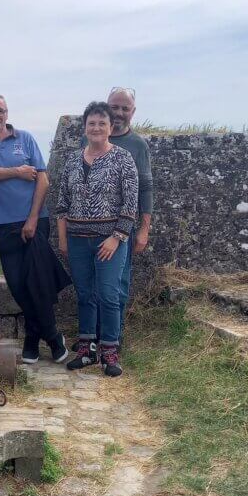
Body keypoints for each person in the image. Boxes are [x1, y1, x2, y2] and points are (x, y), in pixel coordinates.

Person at [0, 94, 69, 364]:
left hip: (34, 219)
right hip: (4, 224)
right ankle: (52, 335)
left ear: (7, 113)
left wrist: (33, 218)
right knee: (17, 285)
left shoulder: (25, 139)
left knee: (38, 281)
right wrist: (16, 171)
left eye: (0, 111)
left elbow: (43, 181)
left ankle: (33, 342)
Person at [56, 101, 138, 378]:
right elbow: (62, 204)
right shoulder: (72, 161)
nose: (96, 128)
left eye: (102, 123)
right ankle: (87, 349)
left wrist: (116, 238)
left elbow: (130, 205)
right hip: (78, 239)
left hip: (109, 241)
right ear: (85, 127)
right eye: (92, 123)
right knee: (85, 295)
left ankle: (110, 352)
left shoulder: (123, 159)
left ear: (110, 127)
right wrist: (64, 240)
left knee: (108, 295)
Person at [101, 87, 154, 342]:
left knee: (118, 285)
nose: (119, 113)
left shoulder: (137, 145)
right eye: (115, 107)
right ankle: (95, 336)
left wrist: (143, 230)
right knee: (94, 285)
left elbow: (146, 187)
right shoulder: (91, 138)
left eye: (125, 108)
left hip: (122, 227)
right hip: (91, 226)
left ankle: (114, 338)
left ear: (133, 112)